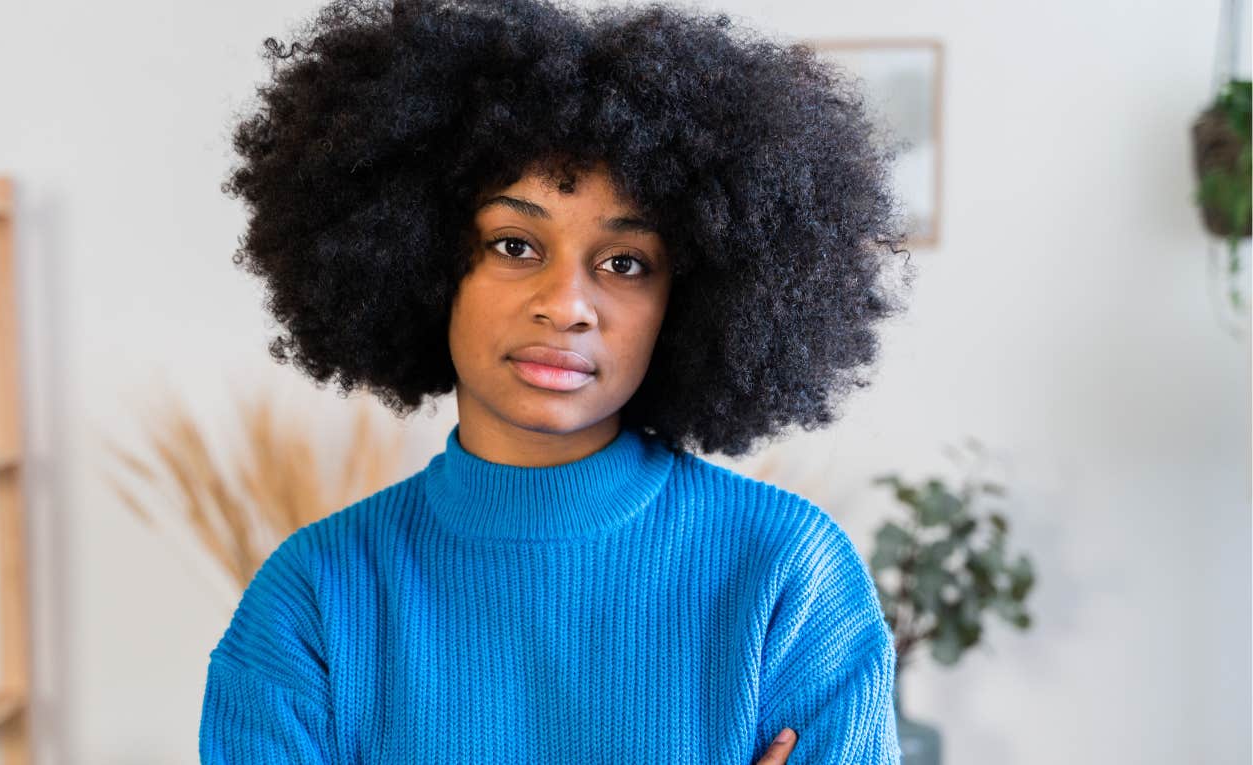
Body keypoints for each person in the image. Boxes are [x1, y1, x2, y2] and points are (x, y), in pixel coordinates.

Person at [199, 0, 915, 762]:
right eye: (515, 243)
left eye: (625, 263)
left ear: (689, 298)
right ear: (425, 261)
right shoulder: (313, 603)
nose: (566, 306)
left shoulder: (785, 577)